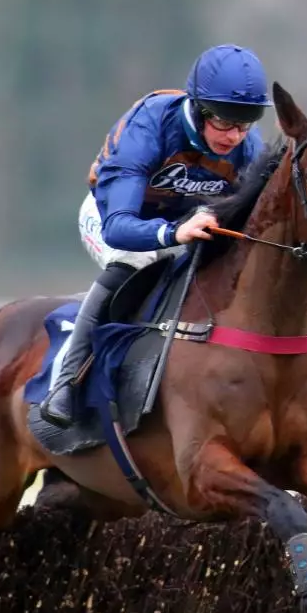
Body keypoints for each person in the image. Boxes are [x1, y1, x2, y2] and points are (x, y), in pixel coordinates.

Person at [38, 43, 273, 427]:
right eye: (224, 123)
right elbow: (118, 227)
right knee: (134, 262)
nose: (234, 137)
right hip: (112, 217)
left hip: (185, 216)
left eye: (244, 125)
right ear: (198, 108)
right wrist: (174, 232)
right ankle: (66, 383)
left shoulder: (247, 144)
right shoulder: (149, 126)